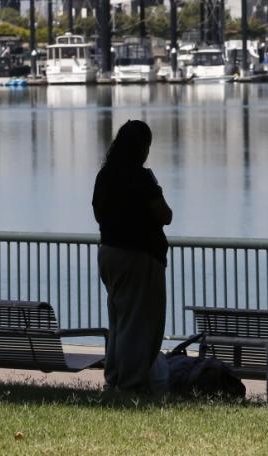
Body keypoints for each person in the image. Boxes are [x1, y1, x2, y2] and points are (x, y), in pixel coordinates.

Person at [92, 119, 173, 392]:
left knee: (119, 320)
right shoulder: (141, 177)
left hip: (109, 255)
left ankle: (114, 377)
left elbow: (97, 214)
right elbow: (165, 215)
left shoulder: (104, 176)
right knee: (141, 324)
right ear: (142, 148)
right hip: (140, 258)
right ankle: (131, 383)